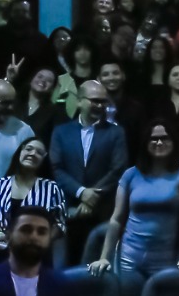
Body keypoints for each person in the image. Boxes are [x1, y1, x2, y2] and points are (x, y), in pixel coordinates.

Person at [89, 121, 179, 296]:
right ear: (145, 143)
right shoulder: (130, 174)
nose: (159, 142)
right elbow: (116, 219)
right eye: (153, 138)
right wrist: (104, 257)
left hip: (167, 259)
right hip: (130, 260)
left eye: (165, 137)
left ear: (174, 141)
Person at [49, 80, 130, 254]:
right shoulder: (61, 131)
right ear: (79, 101)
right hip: (67, 210)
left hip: (103, 211)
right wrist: (81, 192)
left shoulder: (116, 132)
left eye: (103, 101)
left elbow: (118, 169)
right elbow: (56, 168)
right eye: (94, 100)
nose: (100, 105)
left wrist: (92, 195)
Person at [0, 135, 64, 257]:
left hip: (36, 253)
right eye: (28, 149)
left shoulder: (51, 188)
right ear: (20, 153)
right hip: (1, 251)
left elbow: (59, 224)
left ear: (44, 159)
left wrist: (43, 240)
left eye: (39, 152)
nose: (32, 154)